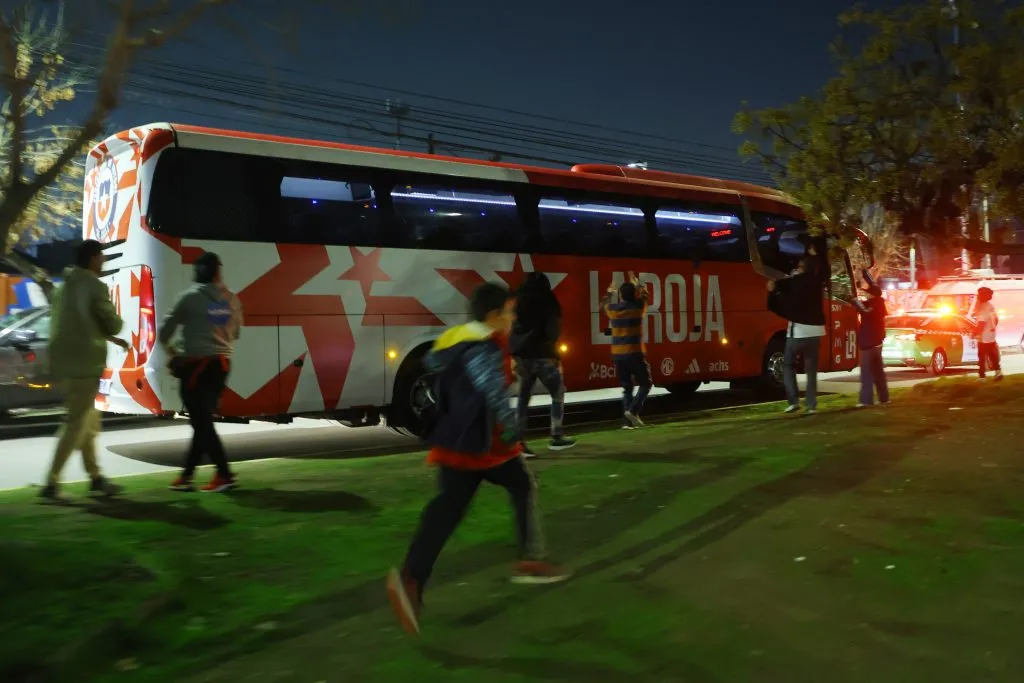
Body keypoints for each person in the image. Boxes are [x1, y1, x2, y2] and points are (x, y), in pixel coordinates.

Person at [387, 282, 569, 637]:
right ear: (492, 316)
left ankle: (412, 580)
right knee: (471, 502)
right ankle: (527, 560)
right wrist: (514, 426)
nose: (514, 318)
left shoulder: (458, 340)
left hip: (461, 440)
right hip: (479, 444)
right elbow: (491, 388)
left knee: (455, 507)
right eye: (509, 312)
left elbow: (439, 366)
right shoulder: (482, 346)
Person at [41, 239, 130, 500]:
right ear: (93, 258)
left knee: (88, 424)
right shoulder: (94, 285)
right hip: (85, 364)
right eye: (101, 257)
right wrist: (117, 326)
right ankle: (51, 483)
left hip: (66, 363)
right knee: (75, 423)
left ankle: (96, 478)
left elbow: (81, 322)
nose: (103, 261)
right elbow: (112, 324)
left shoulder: (64, 286)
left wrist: (112, 340)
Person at [158, 252, 244, 493]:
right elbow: (236, 334)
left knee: (202, 422)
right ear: (218, 272)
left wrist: (173, 353)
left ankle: (224, 474)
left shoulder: (189, 298)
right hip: (221, 367)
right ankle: (186, 476)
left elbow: (164, 333)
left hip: (195, 368)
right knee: (202, 421)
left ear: (198, 272)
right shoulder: (233, 299)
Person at [509, 272, 576, 456]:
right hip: (542, 355)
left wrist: (513, 354)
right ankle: (556, 436)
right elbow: (552, 330)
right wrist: (554, 353)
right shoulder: (547, 300)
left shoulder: (517, 301)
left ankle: (518, 443)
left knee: (523, 397)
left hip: (521, 357)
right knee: (557, 392)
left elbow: (510, 328)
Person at [767, 256, 826, 414]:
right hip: (816, 331)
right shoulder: (816, 282)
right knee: (811, 370)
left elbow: (781, 299)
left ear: (801, 267)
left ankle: (793, 401)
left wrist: (773, 292)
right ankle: (811, 405)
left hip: (798, 331)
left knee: (788, 365)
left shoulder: (795, 282)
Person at [603, 271, 652, 429]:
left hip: (618, 356)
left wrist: (610, 291)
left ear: (621, 296)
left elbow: (604, 303)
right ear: (634, 294)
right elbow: (646, 298)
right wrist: (638, 285)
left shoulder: (613, 310)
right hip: (634, 353)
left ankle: (628, 423)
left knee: (627, 388)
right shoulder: (638, 308)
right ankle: (633, 410)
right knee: (646, 383)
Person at [854, 271, 890, 407]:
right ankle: (884, 398)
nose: (866, 294)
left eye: (868, 293)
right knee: (879, 373)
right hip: (878, 343)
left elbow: (865, 312)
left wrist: (855, 302)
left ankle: (866, 400)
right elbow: (873, 286)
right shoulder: (879, 303)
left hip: (869, 344)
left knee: (866, 374)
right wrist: (864, 273)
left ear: (872, 295)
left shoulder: (872, 305)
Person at [971, 286, 1003, 381]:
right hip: (991, 335)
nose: (977, 297)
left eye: (978, 295)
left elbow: (981, 324)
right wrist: (992, 328)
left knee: (981, 356)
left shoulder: (983, 308)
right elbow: (996, 319)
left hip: (984, 337)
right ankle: (998, 372)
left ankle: (982, 376)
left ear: (982, 296)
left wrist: (974, 333)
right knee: (991, 355)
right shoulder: (990, 306)